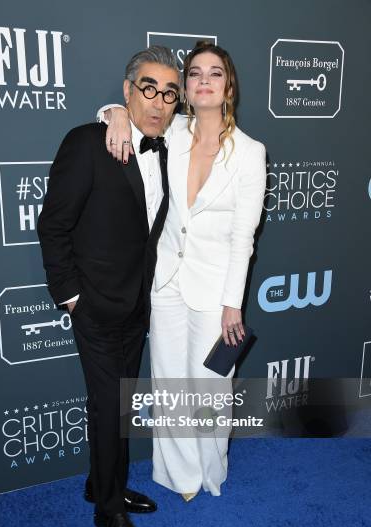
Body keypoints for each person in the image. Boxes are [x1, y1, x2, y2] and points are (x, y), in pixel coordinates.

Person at [98, 41, 266, 501]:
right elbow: (130, 112)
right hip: (165, 281)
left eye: (215, 72)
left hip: (215, 291)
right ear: (186, 88)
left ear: (228, 85)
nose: (205, 80)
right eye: (195, 74)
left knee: (210, 387)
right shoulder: (171, 133)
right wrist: (112, 112)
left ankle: (209, 472)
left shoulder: (250, 152)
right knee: (170, 382)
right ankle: (177, 476)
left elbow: (243, 237)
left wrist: (233, 304)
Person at [37, 46, 180, 527]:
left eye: (169, 92)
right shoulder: (88, 143)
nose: (159, 101)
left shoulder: (170, 145)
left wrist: (117, 113)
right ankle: (109, 512)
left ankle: (104, 485)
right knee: (107, 404)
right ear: (126, 91)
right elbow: (53, 226)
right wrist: (71, 296)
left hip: (136, 304)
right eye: (148, 88)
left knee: (117, 405)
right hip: (94, 306)